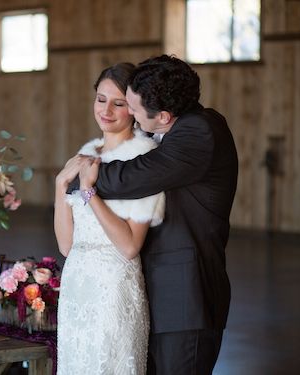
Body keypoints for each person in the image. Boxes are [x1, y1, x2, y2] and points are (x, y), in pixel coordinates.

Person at [70, 55, 239, 374]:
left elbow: (135, 176)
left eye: (132, 108)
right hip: (155, 294)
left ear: (163, 116)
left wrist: (80, 175)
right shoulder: (178, 127)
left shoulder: (199, 132)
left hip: (186, 300)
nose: (128, 115)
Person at [55, 62, 165, 374]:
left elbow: (130, 246)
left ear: (134, 108)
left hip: (113, 287)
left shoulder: (143, 158)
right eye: (101, 99)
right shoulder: (88, 152)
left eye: (118, 103)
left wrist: (89, 192)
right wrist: (60, 185)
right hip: (77, 284)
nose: (107, 110)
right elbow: (66, 245)